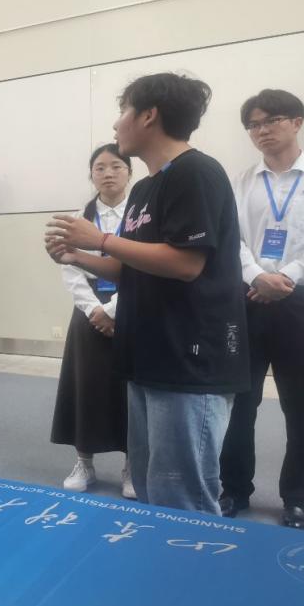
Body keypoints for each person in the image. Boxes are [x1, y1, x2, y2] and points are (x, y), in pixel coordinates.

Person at [46, 72, 248, 515]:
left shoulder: (197, 173)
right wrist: (75, 256)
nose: (116, 123)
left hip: (188, 362)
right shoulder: (144, 188)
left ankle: (193, 562)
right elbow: (129, 266)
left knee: (183, 496)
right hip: (146, 357)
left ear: (149, 116)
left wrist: (100, 239)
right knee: (151, 485)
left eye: (123, 111)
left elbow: (186, 263)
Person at [220, 89, 304, 530]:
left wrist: (285, 277)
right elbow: (230, 239)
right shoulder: (242, 182)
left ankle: (298, 496)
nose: (262, 131)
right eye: (253, 125)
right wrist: (257, 276)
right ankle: (233, 488)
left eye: (271, 120)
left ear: (297, 122)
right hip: (249, 300)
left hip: (302, 303)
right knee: (240, 402)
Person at [51, 145, 133, 497]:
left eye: (116, 166)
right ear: (91, 175)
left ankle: (132, 466)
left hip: (132, 306)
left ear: (129, 172)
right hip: (88, 311)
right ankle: (84, 462)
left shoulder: (142, 216)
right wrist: (94, 310)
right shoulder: (76, 219)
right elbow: (68, 267)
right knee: (84, 387)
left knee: (131, 391)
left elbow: (142, 267)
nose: (108, 173)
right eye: (99, 167)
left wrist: (113, 309)